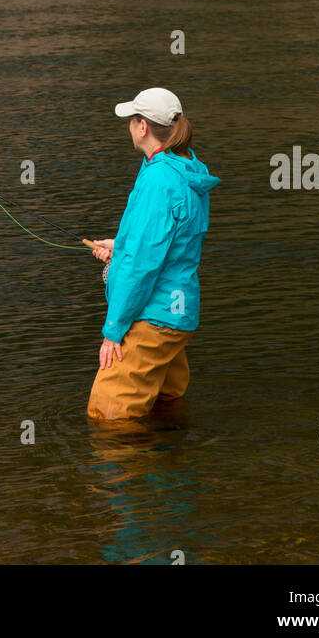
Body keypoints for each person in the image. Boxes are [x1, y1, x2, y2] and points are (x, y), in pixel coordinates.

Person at [86, 87, 219, 422]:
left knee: (108, 416)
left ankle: (130, 472)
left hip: (155, 316)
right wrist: (121, 245)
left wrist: (113, 330)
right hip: (179, 311)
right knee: (166, 405)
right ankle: (174, 468)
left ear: (143, 127)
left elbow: (141, 266)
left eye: (132, 120)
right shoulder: (184, 165)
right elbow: (173, 238)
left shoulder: (159, 179)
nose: (129, 126)